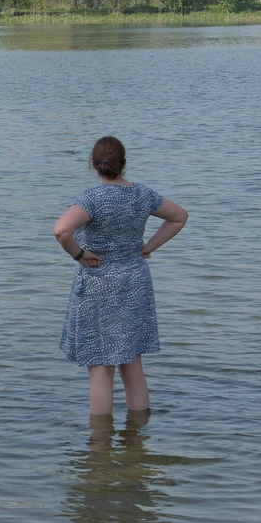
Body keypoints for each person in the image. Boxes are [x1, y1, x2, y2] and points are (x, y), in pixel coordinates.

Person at [53, 136, 188, 417]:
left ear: (93, 165)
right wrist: (149, 247)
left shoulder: (91, 199)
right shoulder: (141, 194)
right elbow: (179, 216)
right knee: (132, 362)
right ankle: (137, 439)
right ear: (123, 164)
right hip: (134, 280)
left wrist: (79, 255)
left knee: (101, 368)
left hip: (99, 282)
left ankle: (100, 448)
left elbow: (61, 231)